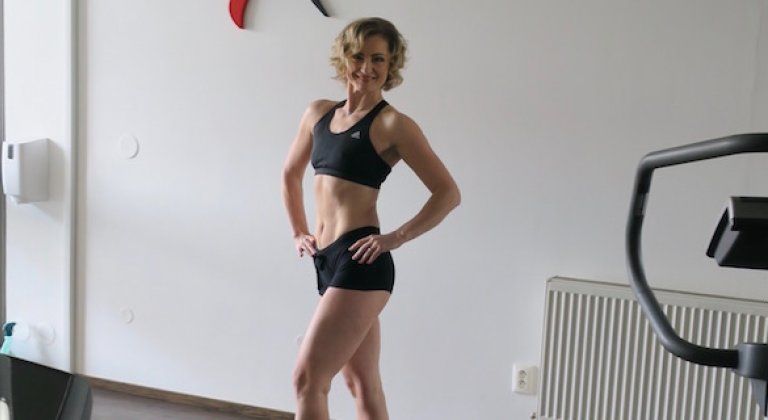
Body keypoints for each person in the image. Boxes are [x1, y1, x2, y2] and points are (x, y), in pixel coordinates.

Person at [281, 17, 461, 420]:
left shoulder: (393, 124)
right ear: (344, 58)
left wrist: (395, 237)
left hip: (361, 262)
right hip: (326, 260)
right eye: (359, 56)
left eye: (378, 59)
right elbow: (290, 174)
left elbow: (448, 193)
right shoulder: (317, 113)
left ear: (390, 64)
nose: (367, 67)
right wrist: (298, 231)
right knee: (361, 384)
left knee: (307, 380)